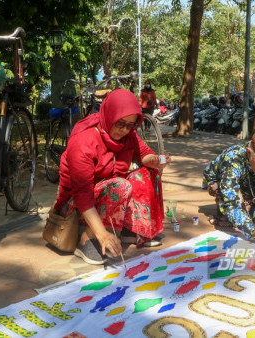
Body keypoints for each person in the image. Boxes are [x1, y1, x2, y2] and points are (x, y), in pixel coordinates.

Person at [51, 89, 170, 265]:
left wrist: (154, 161)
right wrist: (103, 235)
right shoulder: (84, 141)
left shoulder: (129, 135)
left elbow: (142, 153)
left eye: (131, 125)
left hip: (107, 195)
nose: (125, 130)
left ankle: (130, 229)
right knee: (119, 186)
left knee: (146, 173)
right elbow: (82, 195)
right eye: (121, 123)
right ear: (109, 116)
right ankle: (87, 238)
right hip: (76, 205)